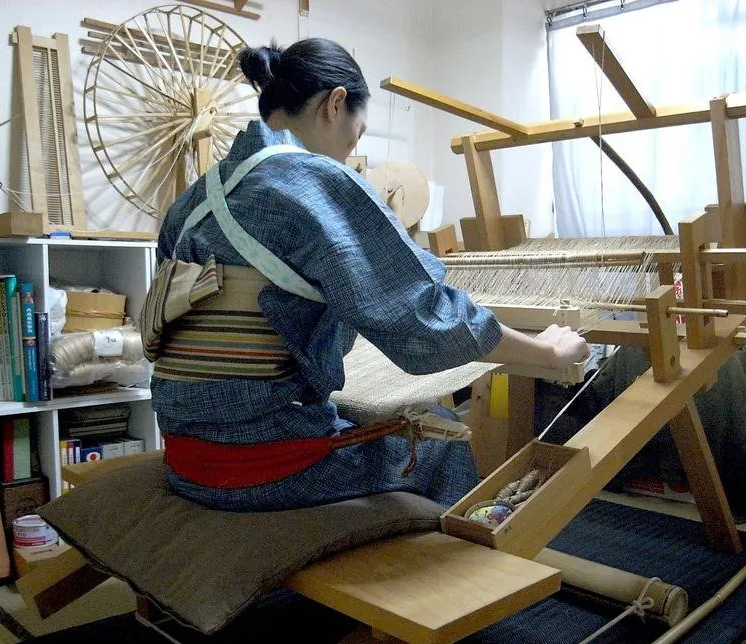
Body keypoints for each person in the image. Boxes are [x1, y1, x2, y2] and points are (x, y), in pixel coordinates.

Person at [144, 37, 589, 513]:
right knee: (441, 439)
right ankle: (457, 561)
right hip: (262, 466)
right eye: (354, 138)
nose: (346, 156)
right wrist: (546, 352)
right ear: (334, 104)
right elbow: (426, 319)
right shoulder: (313, 182)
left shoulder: (190, 205)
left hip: (186, 459)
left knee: (359, 412)